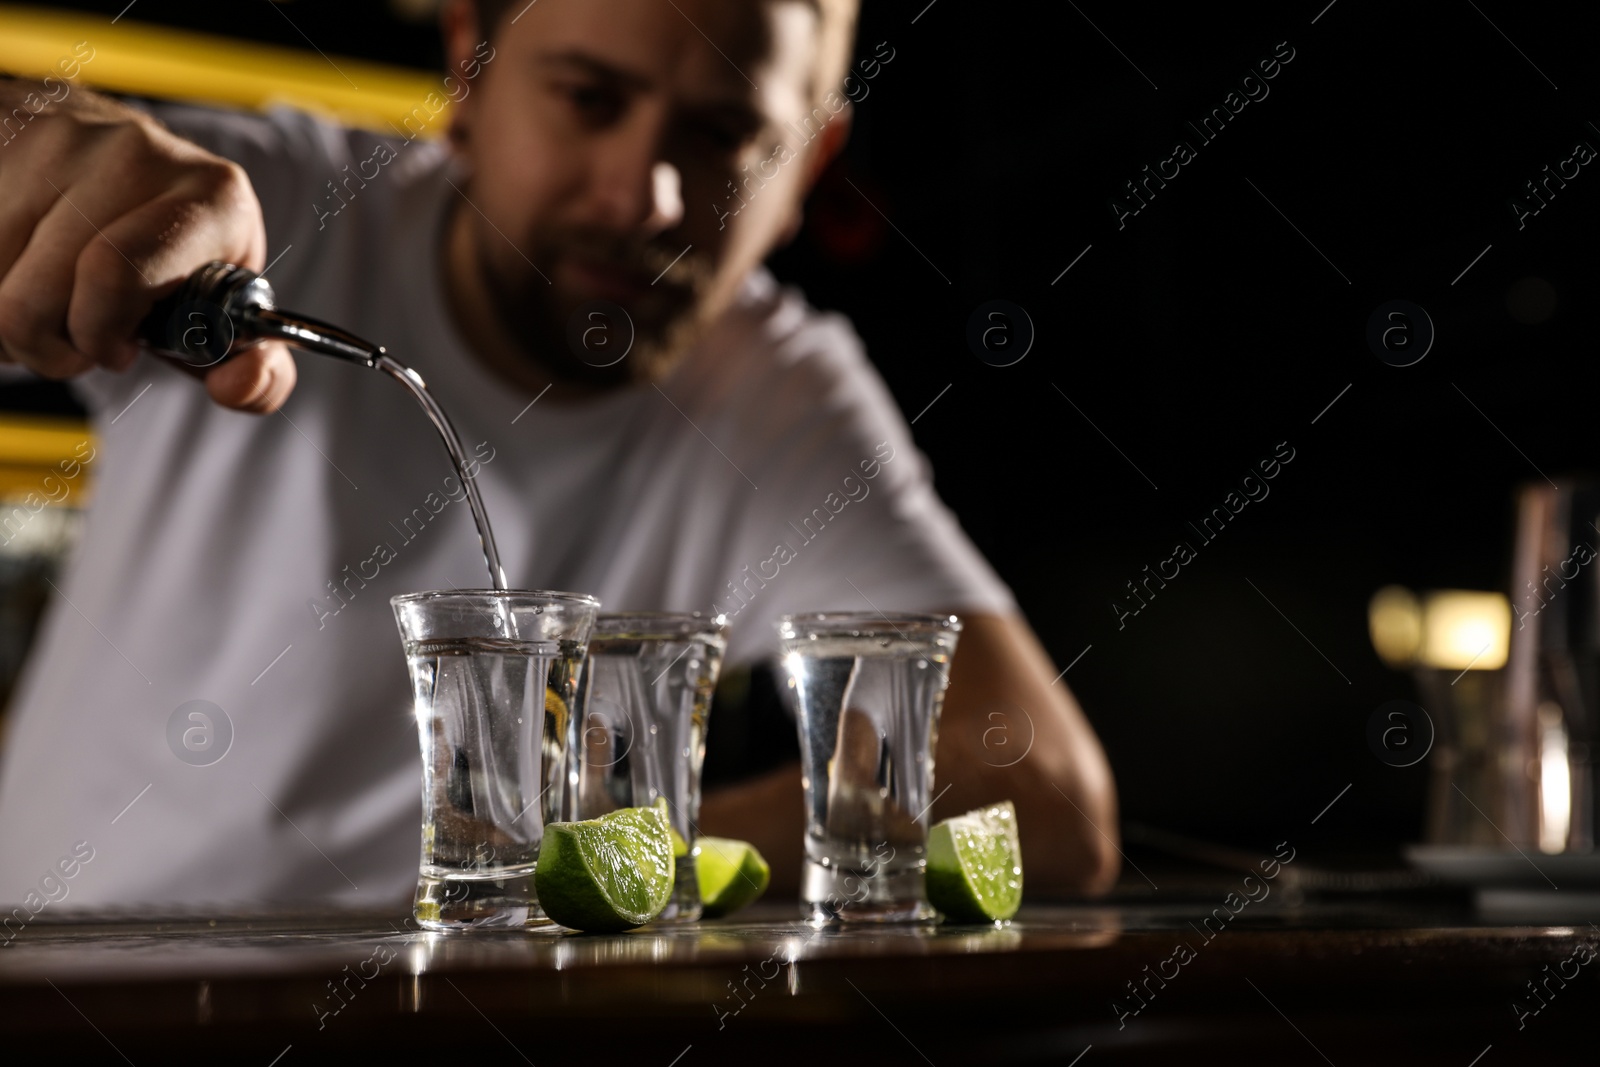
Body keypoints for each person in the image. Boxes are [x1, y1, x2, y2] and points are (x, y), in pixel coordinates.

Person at [0, 0, 1117, 908]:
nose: (645, 196)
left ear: (810, 164)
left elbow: (1043, 787)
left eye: (725, 133)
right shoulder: (280, 211)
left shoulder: (772, 395)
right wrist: (37, 146)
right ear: (469, 73)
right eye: (590, 98)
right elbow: (43, 157)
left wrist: (598, 874)